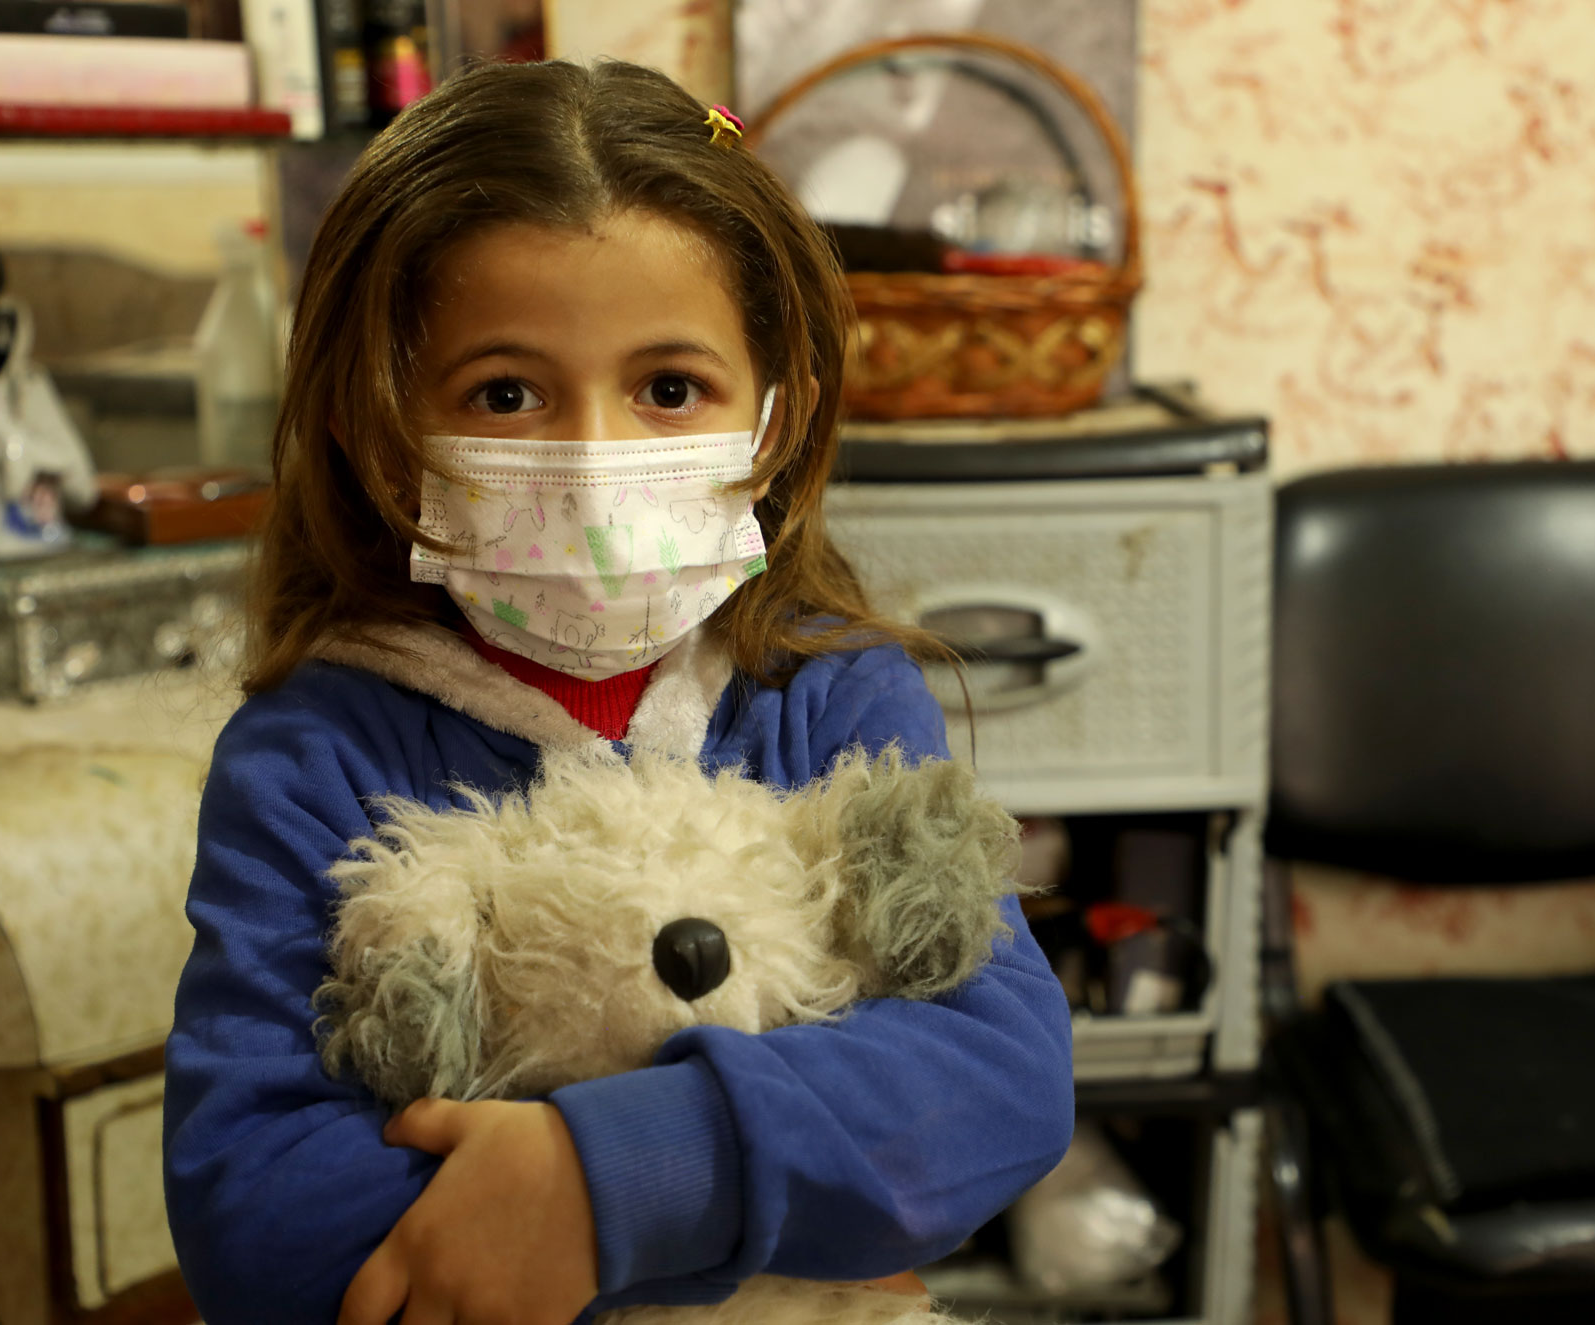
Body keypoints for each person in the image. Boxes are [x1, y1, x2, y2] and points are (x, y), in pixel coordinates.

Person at [161, 58, 1075, 1325]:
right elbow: (256, 1212)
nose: (595, 457)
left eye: (667, 388)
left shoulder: (830, 695)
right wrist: (787, 1202)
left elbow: (994, 1079)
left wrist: (604, 1184)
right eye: (507, 393)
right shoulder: (310, 751)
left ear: (773, 418)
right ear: (382, 433)